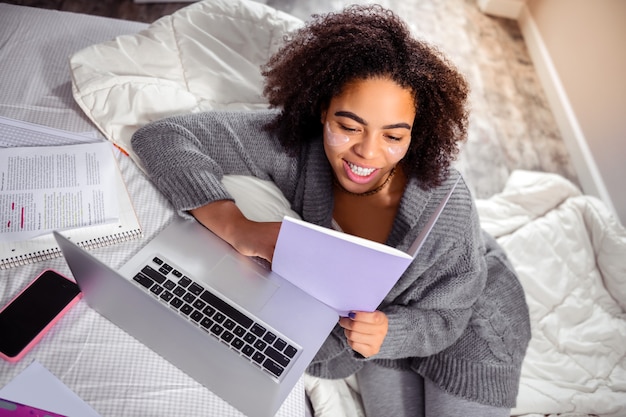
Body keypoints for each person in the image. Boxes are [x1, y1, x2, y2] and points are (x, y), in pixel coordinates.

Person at [131, 4, 531, 416]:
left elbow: (450, 316)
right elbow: (165, 136)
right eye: (348, 126)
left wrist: (393, 332)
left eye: (393, 136)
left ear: (416, 133)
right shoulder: (298, 147)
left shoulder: (451, 206)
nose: (368, 153)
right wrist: (237, 227)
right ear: (323, 110)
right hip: (379, 329)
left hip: (469, 321)